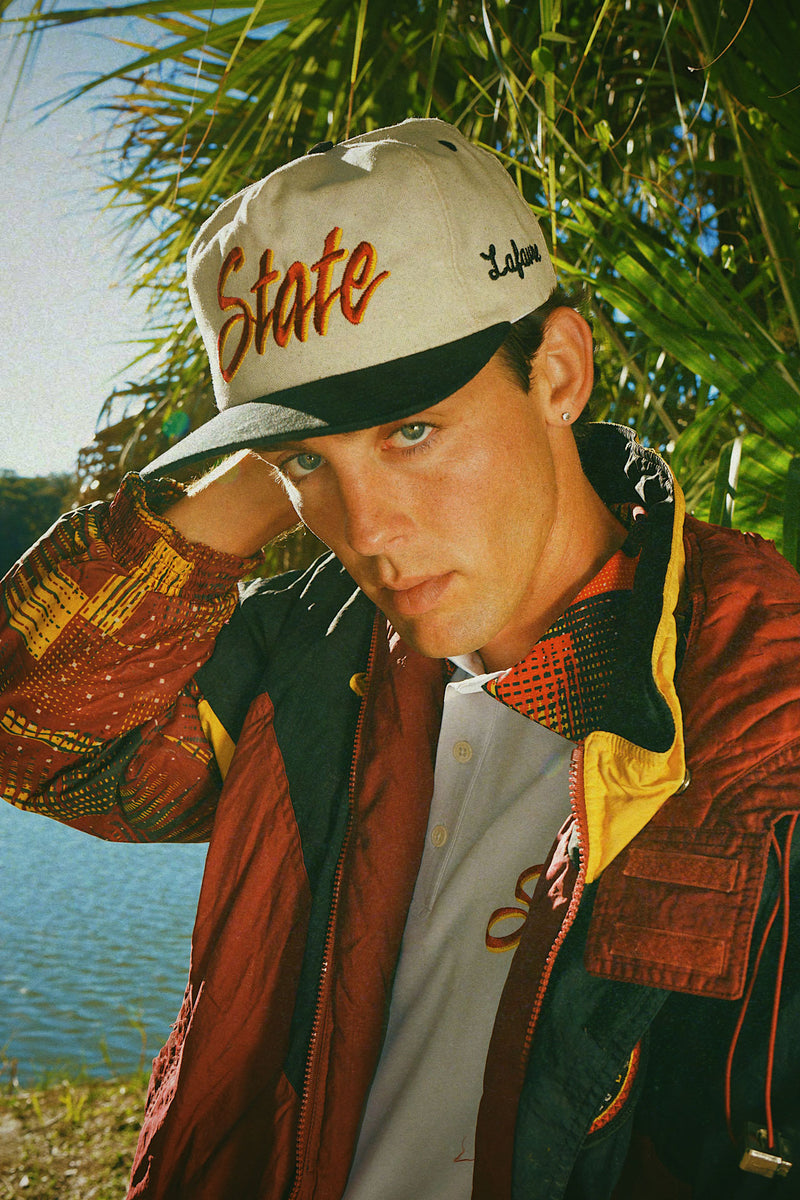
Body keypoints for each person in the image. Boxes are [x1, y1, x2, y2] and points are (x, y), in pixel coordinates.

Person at [1, 118, 798, 1200]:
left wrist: (311, 426)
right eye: (304, 468)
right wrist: (278, 452)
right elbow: (33, 724)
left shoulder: (759, 694)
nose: (368, 529)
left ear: (557, 371)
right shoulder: (320, 649)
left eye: (412, 431)